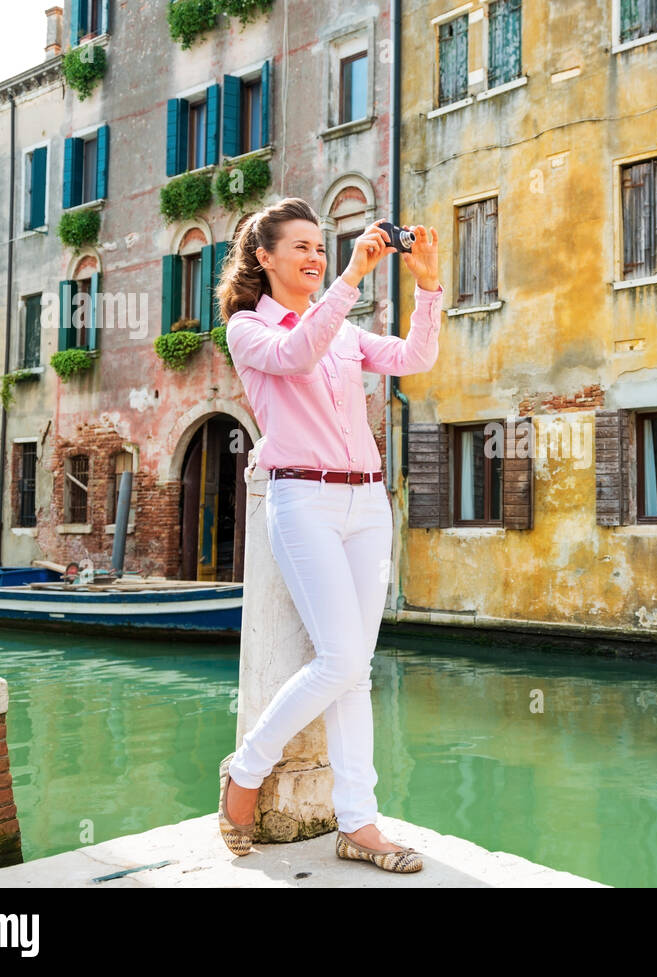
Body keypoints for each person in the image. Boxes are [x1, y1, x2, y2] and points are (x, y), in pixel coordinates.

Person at [213, 197, 442, 873]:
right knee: (341, 659)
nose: (315, 257)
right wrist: (349, 278)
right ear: (264, 256)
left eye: (321, 246)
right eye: (302, 247)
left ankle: (359, 824)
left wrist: (427, 283)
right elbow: (296, 350)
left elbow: (413, 357)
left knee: (354, 671)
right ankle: (247, 772)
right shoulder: (248, 329)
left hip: (367, 504)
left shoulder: (343, 327)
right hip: (303, 498)